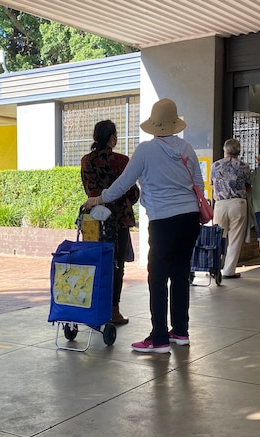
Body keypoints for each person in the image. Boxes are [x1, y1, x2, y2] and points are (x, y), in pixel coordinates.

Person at [83, 98, 201, 354]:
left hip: (163, 220)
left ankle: (158, 338)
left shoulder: (146, 150)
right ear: (175, 124)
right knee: (180, 275)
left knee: (157, 278)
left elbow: (123, 184)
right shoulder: (187, 149)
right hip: (190, 219)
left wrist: (98, 199)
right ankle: (180, 331)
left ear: (155, 125)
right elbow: (199, 186)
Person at [81, 120, 139, 324]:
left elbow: (88, 190)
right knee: (116, 266)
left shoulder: (86, 161)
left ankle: (92, 306)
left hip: (94, 220)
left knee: (94, 263)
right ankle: (113, 311)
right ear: (112, 137)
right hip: (119, 219)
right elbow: (133, 193)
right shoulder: (122, 161)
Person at [211, 138, 251, 278]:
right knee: (235, 239)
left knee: (217, 237)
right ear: (239, 151)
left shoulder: (215, 165)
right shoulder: (244, 166)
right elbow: (248, 186)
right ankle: (229, 271)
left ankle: (214, 267)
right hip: (238, 204)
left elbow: (212, 184)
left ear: (225, 150)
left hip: (220, 204)